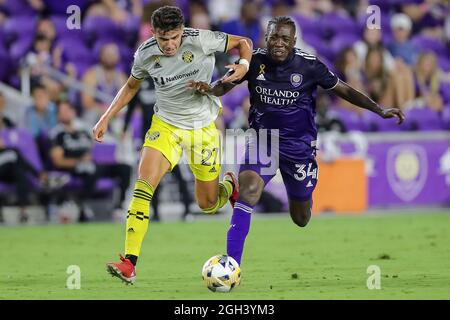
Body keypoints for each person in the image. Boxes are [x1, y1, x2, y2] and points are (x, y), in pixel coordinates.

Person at [188, 16, 405, 266]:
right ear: (266, 38)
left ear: (293, 41)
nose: (278, 43)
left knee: (301, 218)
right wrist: (209, 88)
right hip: (263, 140)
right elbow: (224, 86)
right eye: (274, 37)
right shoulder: (254, 61)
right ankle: (231, 265)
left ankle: (303, 196)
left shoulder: (309, 66)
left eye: (284, 38)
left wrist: (379, 110)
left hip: (299, 147)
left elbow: (343, 89)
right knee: (248, 192)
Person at [92, 5, 253, 284]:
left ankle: (229, 186)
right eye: (163, 38)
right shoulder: (145, 52)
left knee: (208, 204)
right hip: (165, 126)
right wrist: (106, 117)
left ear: (182, 31)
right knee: (142, 187)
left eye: (174, 38)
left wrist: (243, 65)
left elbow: (244, 43)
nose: (169, 45)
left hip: (202, 128)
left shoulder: (201, 39)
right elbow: (131, 86)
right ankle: (129, 263)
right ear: (153, 32)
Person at [50, 100, 132, 222]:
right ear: (58, 115)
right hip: (74, 166)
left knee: (125, 168)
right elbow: (58, 160)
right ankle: (81, 204)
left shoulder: (82, 131)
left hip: (92, 164)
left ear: (73, 112)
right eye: (62, 112)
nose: (65, 114)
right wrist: (78, 161)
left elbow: (93, 148)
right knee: (91, 169)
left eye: (67, 110)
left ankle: (119, 206)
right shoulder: (57, 134)